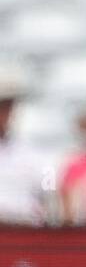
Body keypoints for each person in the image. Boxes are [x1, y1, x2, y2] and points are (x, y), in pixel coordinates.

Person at [0, 71, 47, 225]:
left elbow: (48, 186)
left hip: (24, 233)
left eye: (7, 107)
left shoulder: (30, 153)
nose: (4, 114)